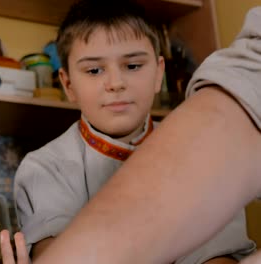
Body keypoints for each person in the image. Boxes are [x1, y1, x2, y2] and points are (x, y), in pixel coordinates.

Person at [14, 0, 256, 263]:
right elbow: (55, 255)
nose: (116, 83)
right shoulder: (44, 168)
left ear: (158, 73)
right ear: (68, 84)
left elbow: (219, 256)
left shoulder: (206, 149)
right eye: (94, 70)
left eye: (132, 66)